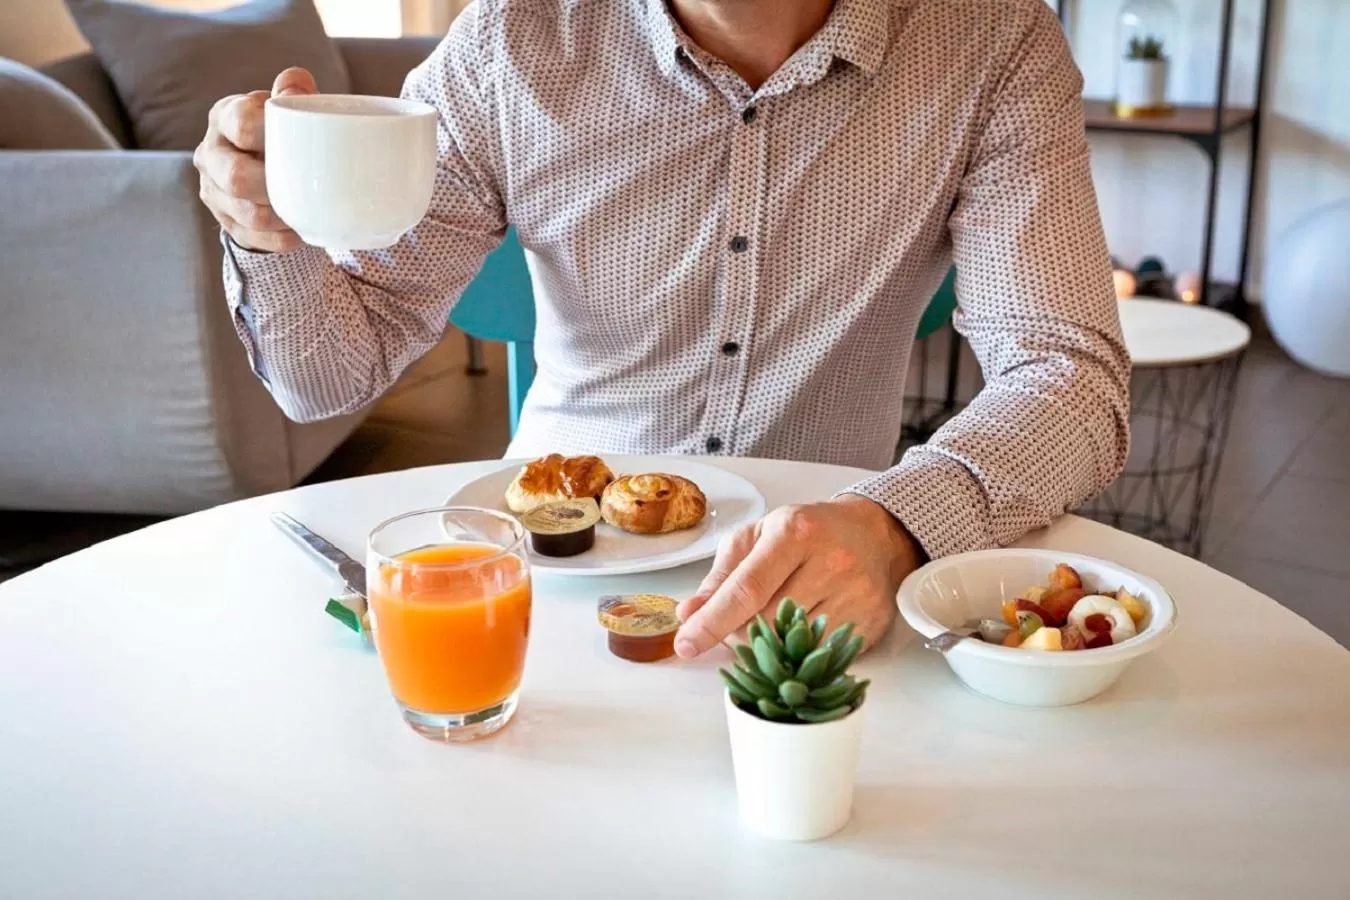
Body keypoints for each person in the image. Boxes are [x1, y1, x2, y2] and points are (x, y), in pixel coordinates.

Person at [194, 0, 1130, 660]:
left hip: (822, 596)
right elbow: (325, 377)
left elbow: (1067, 370)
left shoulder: (993, 40)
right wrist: (269, 239)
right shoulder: (512, 41)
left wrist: (897, 525)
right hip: (538, 603)